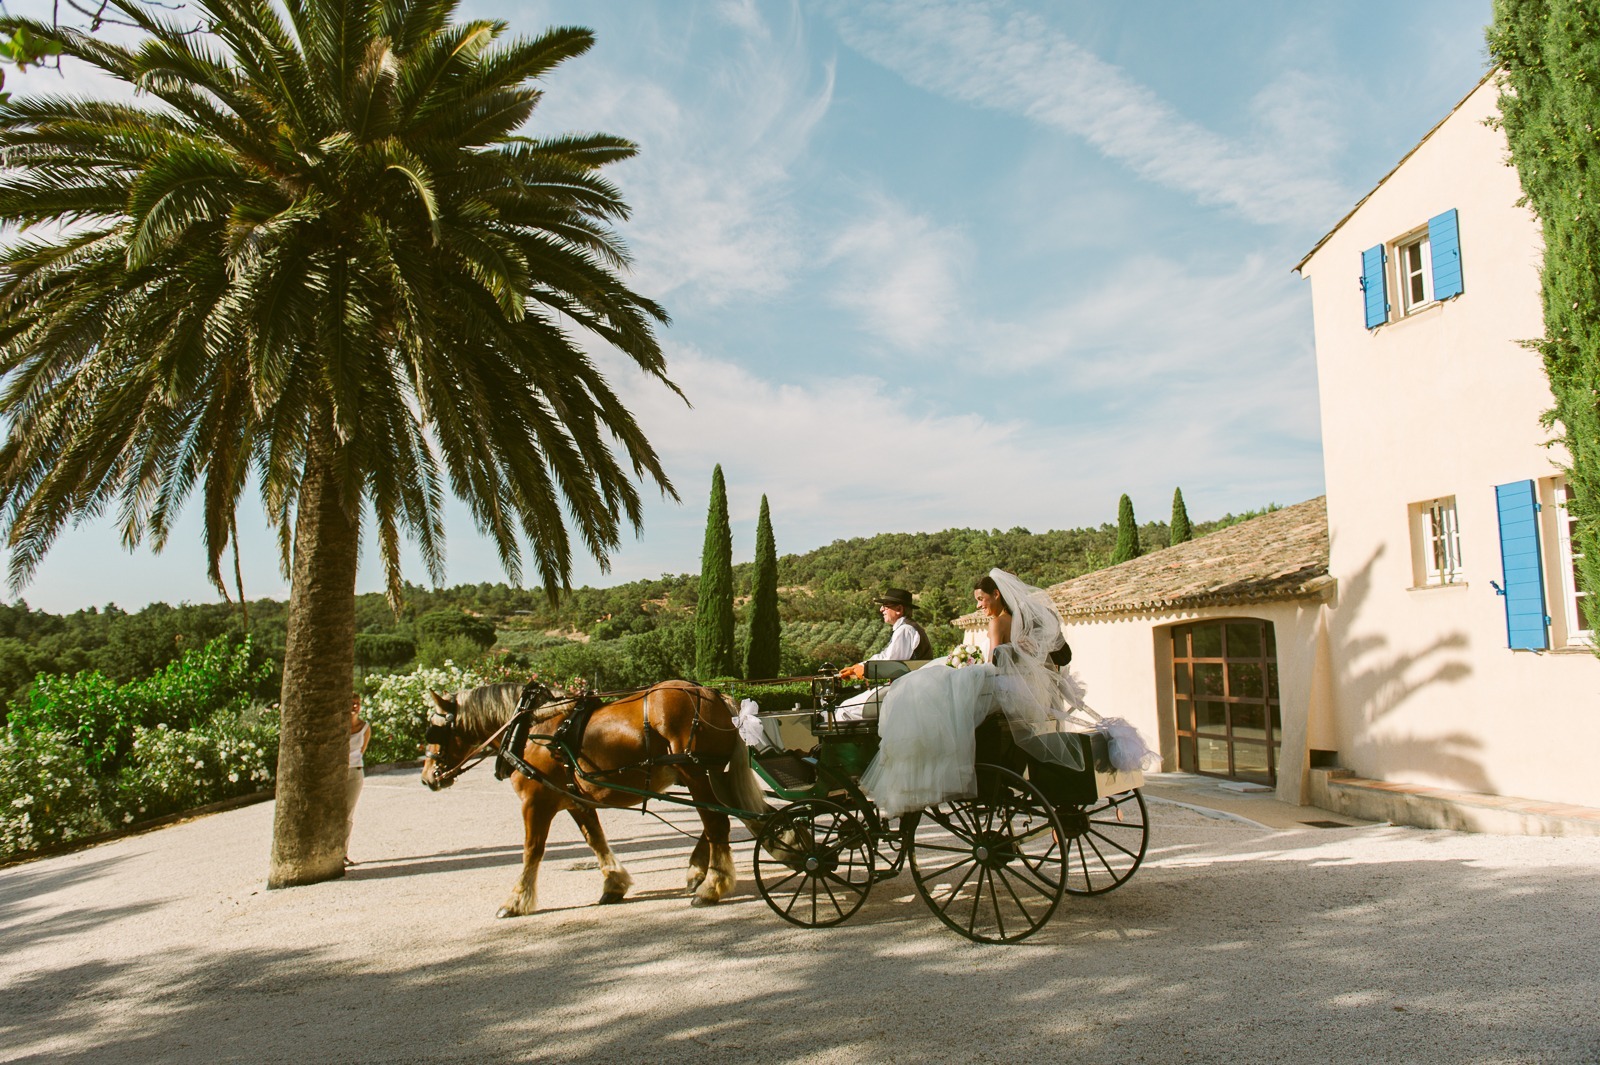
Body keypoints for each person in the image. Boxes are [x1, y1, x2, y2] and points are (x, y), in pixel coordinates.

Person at [860, 569, 1091, 817]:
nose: (978, 605)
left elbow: (993, 664)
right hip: (1022, 688)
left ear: (997, 594)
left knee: (916, 689)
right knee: (931, 681)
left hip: (999, 683)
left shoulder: (997, 622)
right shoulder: (1020, 623)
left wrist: (967, 665)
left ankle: (931, 772)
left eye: (981, 599)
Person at [832, 588, 933, 721]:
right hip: (905, 689)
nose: (881, 610)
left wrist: (864, 670)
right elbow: (885, 656)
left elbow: (890, 663)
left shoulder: (905, 630)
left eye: (885, 606)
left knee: (843, 710)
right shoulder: (905, 629)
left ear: (899, 609)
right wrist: (856, 667)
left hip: (905, 692)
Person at [346, 695, 371, 866]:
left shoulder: (365, 727)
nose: (355, 706)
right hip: (337, 772)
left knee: (348, 813)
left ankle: (343, 853)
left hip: (354, 771)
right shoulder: (339, 726)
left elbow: (362, 750)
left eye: (358, 704)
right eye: (352, 703)